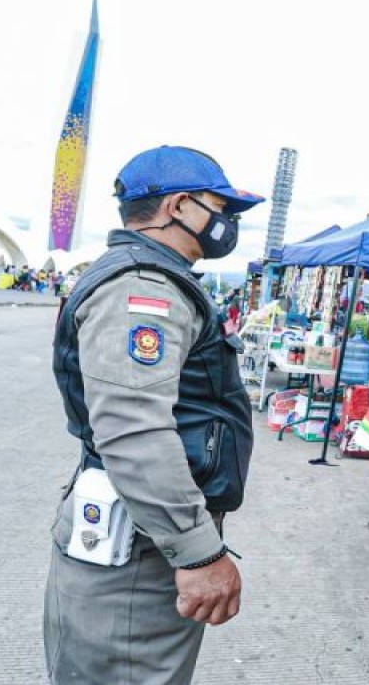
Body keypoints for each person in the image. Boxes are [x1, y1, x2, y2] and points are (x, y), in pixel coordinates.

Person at [44, 145, 266, 684]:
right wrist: (196, 554)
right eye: (222, 208)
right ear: (179, 206)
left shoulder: (155, 278)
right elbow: (133, 431)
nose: (228, 222)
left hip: (141, 535)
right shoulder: (142, 287)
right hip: (140, 551)